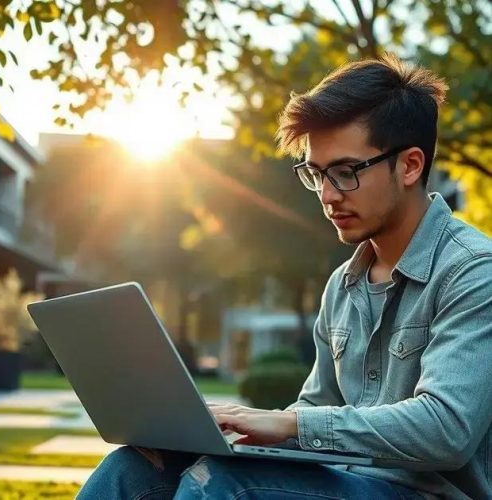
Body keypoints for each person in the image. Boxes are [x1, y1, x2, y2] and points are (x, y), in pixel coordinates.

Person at [77, 54, 492, 499]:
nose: (329, 195)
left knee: (227, 487)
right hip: (346, 484)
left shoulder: (473, 271)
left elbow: (447, 429)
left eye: (346, 172)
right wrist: (237, 435)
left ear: (410, 166)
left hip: (430, 495)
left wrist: (288, 423)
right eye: (317, 174)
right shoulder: (344, 285)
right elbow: (316, 410)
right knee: (133, 469)